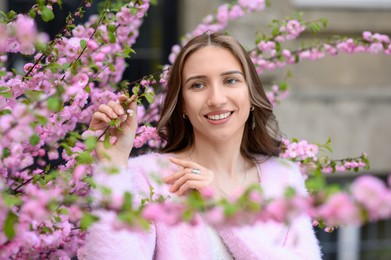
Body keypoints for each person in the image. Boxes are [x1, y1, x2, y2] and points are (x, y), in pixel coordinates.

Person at [80, 32, 322, 259]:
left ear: (251, 96)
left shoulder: (283, 177)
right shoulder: (148, 177)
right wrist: (111, 168)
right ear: (182, 104)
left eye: (230, 80)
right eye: (197, 85)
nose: (216, 99)